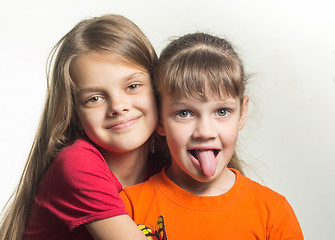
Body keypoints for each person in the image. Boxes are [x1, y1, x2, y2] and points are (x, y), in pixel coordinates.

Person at [120, 32, 304, 239]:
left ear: (242, 114)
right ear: (160, 120)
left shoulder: (273, 212)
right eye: (184, 113)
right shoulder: (129, 208)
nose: (205, 132)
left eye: (222, 112)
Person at [0, 14, 164, 240]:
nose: (117, 106)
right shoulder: (77, 164)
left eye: (133, 86)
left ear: (158, 89)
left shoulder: (166, 170)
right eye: (94, 98)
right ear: (75, 115)